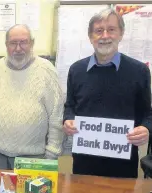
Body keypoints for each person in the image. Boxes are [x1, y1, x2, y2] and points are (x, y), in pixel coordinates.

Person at [63, 9, 152, 178]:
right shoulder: (76, 70)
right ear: (91, 37)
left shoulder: (139, 71)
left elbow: (147, 113)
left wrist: (146, 129)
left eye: (111, 29)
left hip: (123, 166)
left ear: (121, 34)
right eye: (98, 31)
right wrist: (68, 120)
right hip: (84, 164)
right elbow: (70, 107)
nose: (105, 36)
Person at [0, 24, 64, 170]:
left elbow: (56, 115)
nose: (18, 48)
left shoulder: (47, 70)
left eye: (23, 42)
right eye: (13, 43)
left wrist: (52, 152)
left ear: (32, 43)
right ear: (6, 45)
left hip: (32, 158)